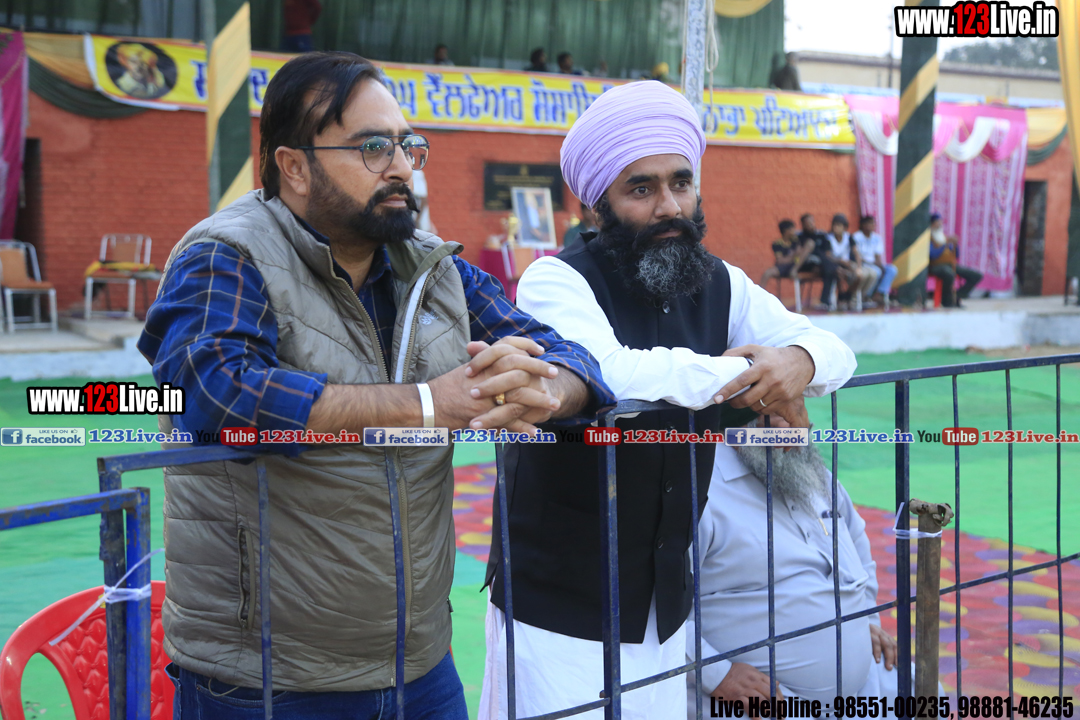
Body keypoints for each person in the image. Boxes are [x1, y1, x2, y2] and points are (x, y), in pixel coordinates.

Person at [139, 51, 614, 718]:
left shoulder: (432, 269)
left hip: (420, 666)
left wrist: (549, 388)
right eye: (372, 148)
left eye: (406, 146)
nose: (400, 167)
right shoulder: (225, 256)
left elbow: (573, 358)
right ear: (294, 166)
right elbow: (216, 398)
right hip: (267, 679)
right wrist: (427, 403)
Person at [479, 80, 856, 720]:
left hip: (664, 608)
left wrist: (799, 362)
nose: (669, 206)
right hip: (559, 606)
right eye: (642, 189)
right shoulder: (555, 279)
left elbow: (833, 349)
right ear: (597, 203)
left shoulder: (721, 281)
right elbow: (609, 373)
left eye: (681, 183)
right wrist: (745, 371)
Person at [686, 415, 901, 711]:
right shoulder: (701, 489)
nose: (792, 426)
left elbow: (858, 549)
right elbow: (657, 610)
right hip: (752, 695)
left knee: (925, 694)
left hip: (861, 681)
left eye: (798, 407)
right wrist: (717, 674)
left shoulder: (813, 475)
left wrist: (866, 619)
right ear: (740, 416)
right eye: (777, 411)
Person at [928, 213, 983, 308]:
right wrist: (946, 244)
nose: (940, 224)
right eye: (937, 222)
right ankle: (947, 302)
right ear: (932, 224)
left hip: (949, 264)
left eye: (940, 222)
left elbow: (956, 255)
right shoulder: (929, 237)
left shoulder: (943, 236)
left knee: (976, 276)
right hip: (935, 266)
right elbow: (932, 255)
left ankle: (957, 296)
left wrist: (955, 245)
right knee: (949, 273)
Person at [827, 213, 875, 308]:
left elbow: (856, 253)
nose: (836, 228)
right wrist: (841, 261)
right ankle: (845, 298)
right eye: (834, 225)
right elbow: (828, 256)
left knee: (868, 274)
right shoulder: (828, 238)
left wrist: (859, 267)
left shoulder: (849, 237)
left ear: (845, 227)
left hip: (848, 264)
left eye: (839, 225)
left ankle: (852, 296)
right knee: (844, 274)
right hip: (835, 264)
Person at [851, 215, 896, 305]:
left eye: (873, 223)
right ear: (863, 225)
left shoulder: (877, 238)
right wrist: (874, 265)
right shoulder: (856, 237)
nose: (873, 225)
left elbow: (877, 256)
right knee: (877, 272)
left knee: (891, 269)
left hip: (874, 264)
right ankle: (867, 296)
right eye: (870, 223)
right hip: (863, 264)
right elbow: (856, 255)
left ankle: (878, 294)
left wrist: (880, 266)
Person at [798, 213, 838, 311]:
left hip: (823, 265)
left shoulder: (821, 235)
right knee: (831, 268)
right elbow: (798, 254)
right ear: (803, 224)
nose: (811, 224)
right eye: (807, 223)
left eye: (812, 221)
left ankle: (826, 300)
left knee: (830, 270)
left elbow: (828, 252)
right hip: (807, 264)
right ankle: (827, 300)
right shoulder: (799, 237)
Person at [759, 219, 802, 287]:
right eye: (792, 229)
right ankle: (760, 292)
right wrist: (793, 257)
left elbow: (800, 255)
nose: (794, 231)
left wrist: (789, 258)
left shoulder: (797, 241)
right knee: (767, 273)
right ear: (786, 231)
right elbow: (780, 261)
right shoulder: (777, 243)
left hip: (796, 266)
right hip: (783, 267)